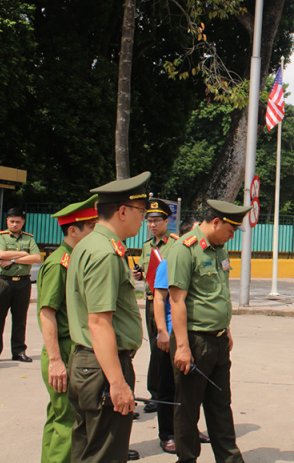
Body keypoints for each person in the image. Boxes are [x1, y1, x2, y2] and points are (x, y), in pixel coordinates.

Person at [66, 171, 151, 463]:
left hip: (86, 363)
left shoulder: (87, 245)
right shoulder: (104, 252)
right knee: (105, 455)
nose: (144, 220)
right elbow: (99, 322)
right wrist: (117, 382)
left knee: (85, 450)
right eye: (141, 212)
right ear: (123, 211)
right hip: (103, 367)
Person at [168, 200, 250, 463]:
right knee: (188, 409)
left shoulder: (219, 250)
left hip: (217, 340)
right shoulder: (185, 249)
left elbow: (219, 293)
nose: (232, 236)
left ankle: (229, 459)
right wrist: (182, 347)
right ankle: (187, 459)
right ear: (216, 222)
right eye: (230, 229)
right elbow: (177, 300)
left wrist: (225, 330)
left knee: (220, 405)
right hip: (194, 341)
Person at [37, 195, 99, 463]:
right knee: (67, 422)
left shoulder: (73, 258)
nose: (96, 232)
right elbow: (46, 313)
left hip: (68, 350)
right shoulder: (59, 263)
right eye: (91, 227)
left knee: (59, 416)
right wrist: (55, 361)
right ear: (73, 230)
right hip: (61, 350)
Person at [150, 218, 203, 454]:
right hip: (171, 335)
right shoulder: (169, 263)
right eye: (196, 232)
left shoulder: (199, 262)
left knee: (192, 388)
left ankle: (189, 429)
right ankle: (168, 434)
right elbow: (159, 300)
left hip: (194, 335)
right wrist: (162, 332)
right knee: (169, 387)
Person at [131, 198, 178, 414]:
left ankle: (167, 393)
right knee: (154, 350)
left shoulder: (175, 244)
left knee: (166, 350)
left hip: (168, 304)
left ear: (166, 221)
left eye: (157, 220)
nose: (152, 224)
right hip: (150, 302)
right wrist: (137, 274)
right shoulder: (146, 246)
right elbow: (145, 271)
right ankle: (155, 394)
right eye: (149, 220)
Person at [0, 207, 42, 363]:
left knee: (20, 319)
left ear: (23, 222)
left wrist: (13, 260)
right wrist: (24, 254)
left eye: (18, 221)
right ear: (7, 221)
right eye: (11, 221)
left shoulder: (28, 239)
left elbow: (37, 258)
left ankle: (19, 351)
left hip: (23, 283)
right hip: (2, 282)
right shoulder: (1, 237)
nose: (14, 224)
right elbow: (1, 254)